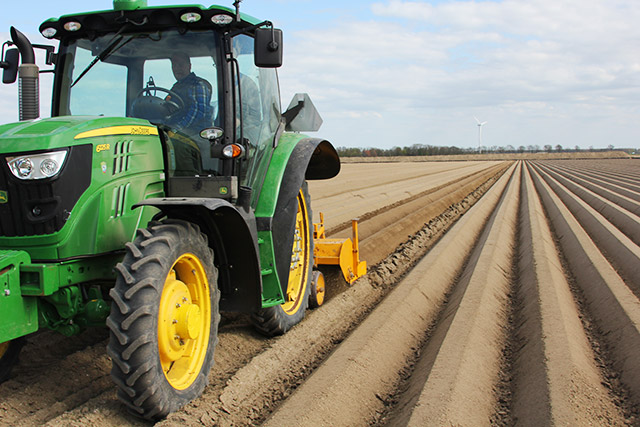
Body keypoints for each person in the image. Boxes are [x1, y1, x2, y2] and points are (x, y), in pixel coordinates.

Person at [166, 52, 213, 137]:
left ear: (189, 66)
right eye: (174, 65)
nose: (177, 69)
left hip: (198, 135)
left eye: (180, 65)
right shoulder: (175, 87)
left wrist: (177, 129)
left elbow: (198, 111)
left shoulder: (198, 85)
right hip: (180, 133)